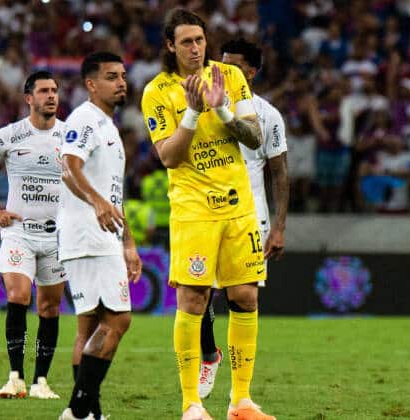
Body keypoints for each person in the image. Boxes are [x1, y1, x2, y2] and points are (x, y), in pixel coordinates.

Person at [140, 9, 275, 420]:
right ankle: (192, 405)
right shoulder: (157, 92)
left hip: (238, 206)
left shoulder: (229, 78)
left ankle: (241, 401)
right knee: (194, 300)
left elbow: (255, 138)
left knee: (246, 296)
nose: (195, 48)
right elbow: (168, 156)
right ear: (170, 46)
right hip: (194, 210)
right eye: (186, 42)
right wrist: (195, 112)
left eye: (199, 40)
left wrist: (223, 111)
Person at [196, 37, 289, 400]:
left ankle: (241, 391)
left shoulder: (267, 115)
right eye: (218, 64)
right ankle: (208, 354)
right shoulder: (200, 104)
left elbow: (280, 173)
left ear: (251, 72)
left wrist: (279, 226)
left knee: (241, 299)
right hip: (206, 211)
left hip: (250, 217)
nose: (219, 71)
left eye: (230, 66)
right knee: (199, 293)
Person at [0, 71, 66, 400]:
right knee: (19, 294)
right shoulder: (10, 135)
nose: (51, 96)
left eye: (54, 91)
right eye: (44, 91)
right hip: (18, 232)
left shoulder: (70, 136)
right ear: (29, 98)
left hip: (56, 236)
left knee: (49, 308)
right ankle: (15, 377)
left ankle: (41, 382)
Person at [58, 51, 142, 420]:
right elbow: (68, 167)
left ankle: (90, 414)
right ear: (91, 84)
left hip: (102, 236)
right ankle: (77, 414)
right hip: (88, 236)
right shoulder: (85, 119)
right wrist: (96, 203)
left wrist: (128, 241)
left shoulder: (108, 125)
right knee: (119, 320)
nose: (121, 82)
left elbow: (112, 193)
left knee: (90, 326)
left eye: (122, 75)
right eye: (111, 76)